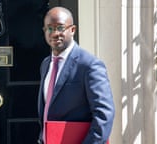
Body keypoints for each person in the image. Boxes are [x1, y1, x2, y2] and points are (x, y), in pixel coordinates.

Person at [37, 6, 115, 144]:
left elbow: (104, 115)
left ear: (72, 30)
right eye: (50, 28)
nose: (55, 33)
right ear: (44, 31)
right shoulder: (46, 64)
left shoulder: (90, 65)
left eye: (60, 28)